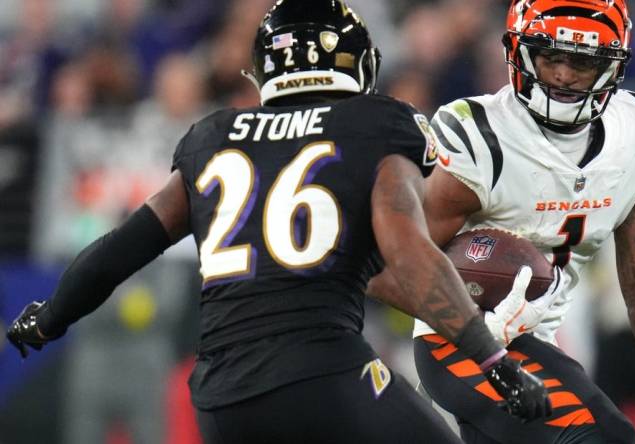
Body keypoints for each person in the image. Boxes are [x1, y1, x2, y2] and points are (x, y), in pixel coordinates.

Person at [5, 1, 558, 443]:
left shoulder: (214, 134)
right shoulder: (376, 124)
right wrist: (493, 360)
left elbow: (125, 245)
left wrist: (51, 316)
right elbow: (408, 251)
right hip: (322, 372)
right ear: (354, 61)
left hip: (222, 400)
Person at [368, 1, 635, 443]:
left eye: (584, 61)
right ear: (519, 52)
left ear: (613, 66)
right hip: (459, 344)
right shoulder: (481, 138)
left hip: (542, 337)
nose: (564, 75)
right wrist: (475, 328)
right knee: (604, 436)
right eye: (551, 56)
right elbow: (380, 267)